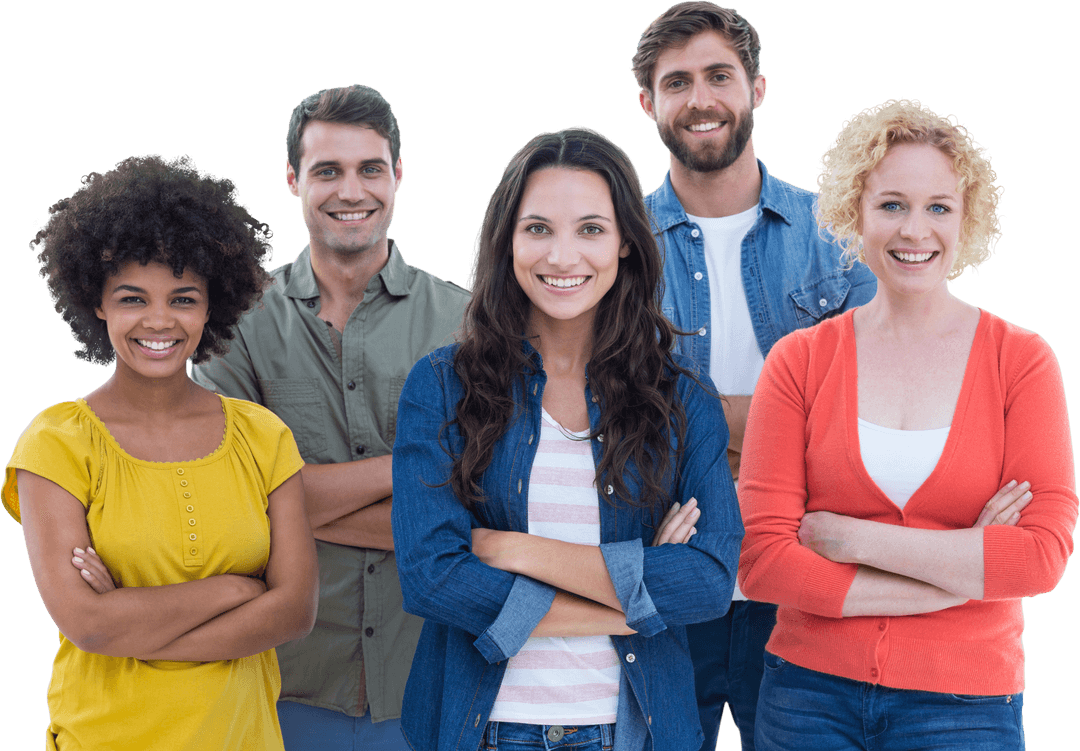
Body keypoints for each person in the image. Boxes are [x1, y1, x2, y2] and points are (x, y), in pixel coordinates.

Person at [738, 98, 1077, 750]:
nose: (914, 230)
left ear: (966, 219)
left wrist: (849, 537)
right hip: (807, 695)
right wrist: (959, 570)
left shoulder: (1022, 361)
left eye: (938, 207)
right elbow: (763, 563)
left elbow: (1040, 554)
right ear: (854, 214)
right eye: (892, 204)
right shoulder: (800, 362)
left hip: (965, 704)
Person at [391, 126, 743, 751]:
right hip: (485, 730)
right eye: (537, 229)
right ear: (507, 242)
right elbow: (431, 578)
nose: (562, 256)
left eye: (590, 229)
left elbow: (709, 581)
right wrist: (629, 603)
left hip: (635, 732)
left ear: (626, 244)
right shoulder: (442, 387)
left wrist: (511, 549)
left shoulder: (683, 400)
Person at [3, 154, 319, 750]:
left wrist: (133, 619)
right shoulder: (56, 443)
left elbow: (294, 611)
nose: (158, 321)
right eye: (131, 299)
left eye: (182, 298)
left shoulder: (263, 436)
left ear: (211, 306)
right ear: (96, 303)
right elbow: (88, 624)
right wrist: (234, 591)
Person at [191, 84, 469, 750]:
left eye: (370, 168)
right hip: (282, 685)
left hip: (427, 683)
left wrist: (291, 504)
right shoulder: (236, 328)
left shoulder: (466, 324)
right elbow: (234, 500)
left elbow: (474, 511)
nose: (352, 189)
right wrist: (412, 466)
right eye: (327, 170)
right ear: (292, 179)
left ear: (398, 174)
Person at [629, 3, 877, 747]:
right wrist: (784, 428)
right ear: (649, 103)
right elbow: (618, 417)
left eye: (718, 76)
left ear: (756, 88)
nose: (700, 99)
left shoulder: (838, 240)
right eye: (677, 82)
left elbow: (870, 412)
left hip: (804, 583)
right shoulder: (617, 248)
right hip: (670, 582)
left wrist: (703, 434)